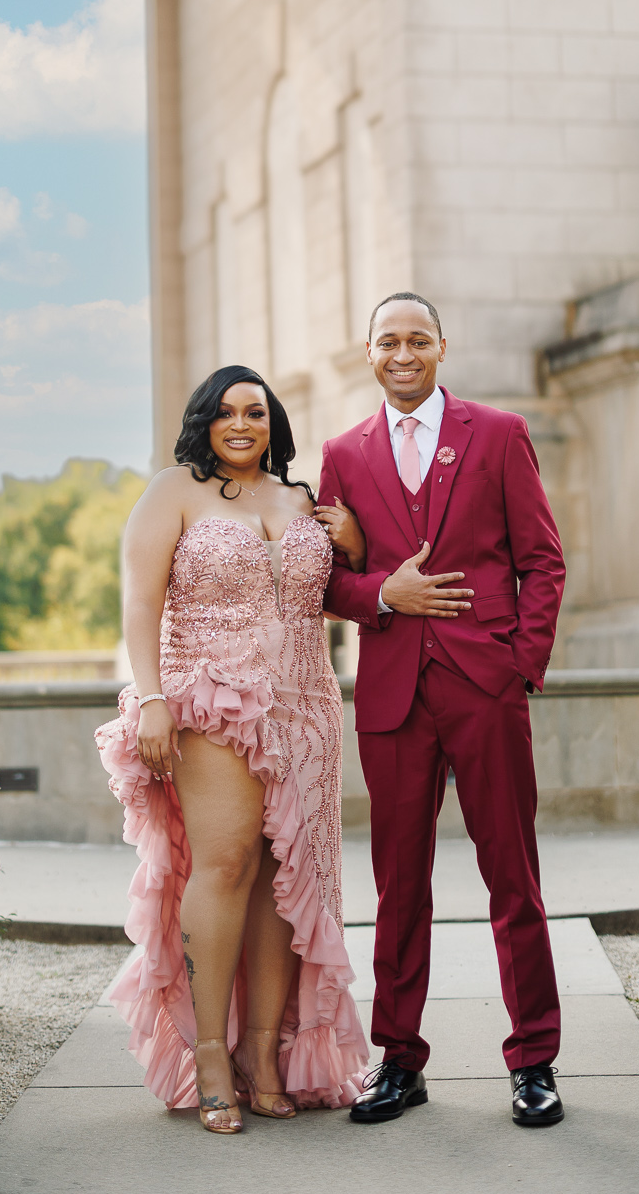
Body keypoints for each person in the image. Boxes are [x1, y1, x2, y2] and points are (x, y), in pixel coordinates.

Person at [96, 365, 368, 1132]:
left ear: (272, 421)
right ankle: (210, 1053)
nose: (240, 424)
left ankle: (264, 1052)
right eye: (224, 413)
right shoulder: (173, 492)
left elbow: (334, 593)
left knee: (287, 877)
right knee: (224, 864)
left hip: (306, 704)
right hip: (210, 696)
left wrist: (353, 546)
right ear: (203, 423)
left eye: (254, 411)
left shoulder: (301, 501)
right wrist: (152, 699)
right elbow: (140, 601)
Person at [319, 293, 567, 1129]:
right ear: (368, 353)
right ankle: (398, 1060)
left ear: (440, 347)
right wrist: (381, 592)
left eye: (416, 339)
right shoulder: (342, 455)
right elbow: (326, 581)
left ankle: (532, 1060)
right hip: (393, 693)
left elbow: (542, 560)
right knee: (398, 885)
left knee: (512, 877)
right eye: (387, 341)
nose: (402, 353)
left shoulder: (497, 434)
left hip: (483, 687)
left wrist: (518, 664)